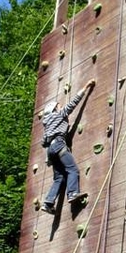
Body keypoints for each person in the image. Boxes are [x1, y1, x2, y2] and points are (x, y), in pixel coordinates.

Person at [40, 78, 95, 213]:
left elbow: (43, 142)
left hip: (51, 151)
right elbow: (74, 103)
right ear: (54, 109)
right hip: (59, 145)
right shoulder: (59, 115)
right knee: (72, 169)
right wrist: (86, 86)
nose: (60, 107)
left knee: (59, 178)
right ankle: (72, 193)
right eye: (58, 106)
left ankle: (48, 202)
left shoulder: (47, 124)